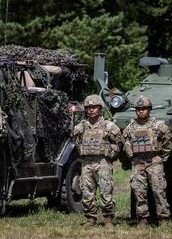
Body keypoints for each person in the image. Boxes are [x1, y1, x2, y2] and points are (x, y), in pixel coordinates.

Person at [72, 95, 121, 227]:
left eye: (94, 107)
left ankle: (108, 219)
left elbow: (118, 144)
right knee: (87, 192)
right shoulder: (81, 126)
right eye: (88, 108)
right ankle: (90, 218)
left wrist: (109, 153)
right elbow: (76, 142)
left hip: (102, 162)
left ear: (100, 108)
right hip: (86, 162)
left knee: (106, 191)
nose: (91, 110)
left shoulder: (109, 126)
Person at [123, 95, 172, 226]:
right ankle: (142, 219)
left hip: (154, 161)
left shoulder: (158, 125)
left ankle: (164, 219)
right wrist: (131, 156)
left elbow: (168, 142)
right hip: (138, 162)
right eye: (138, 109)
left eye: (144, 108)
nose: (141, 111)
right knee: (139, 191)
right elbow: (126, 142)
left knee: (159, 191)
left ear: (149, 109)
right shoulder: (131, 127)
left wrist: (162, 157)